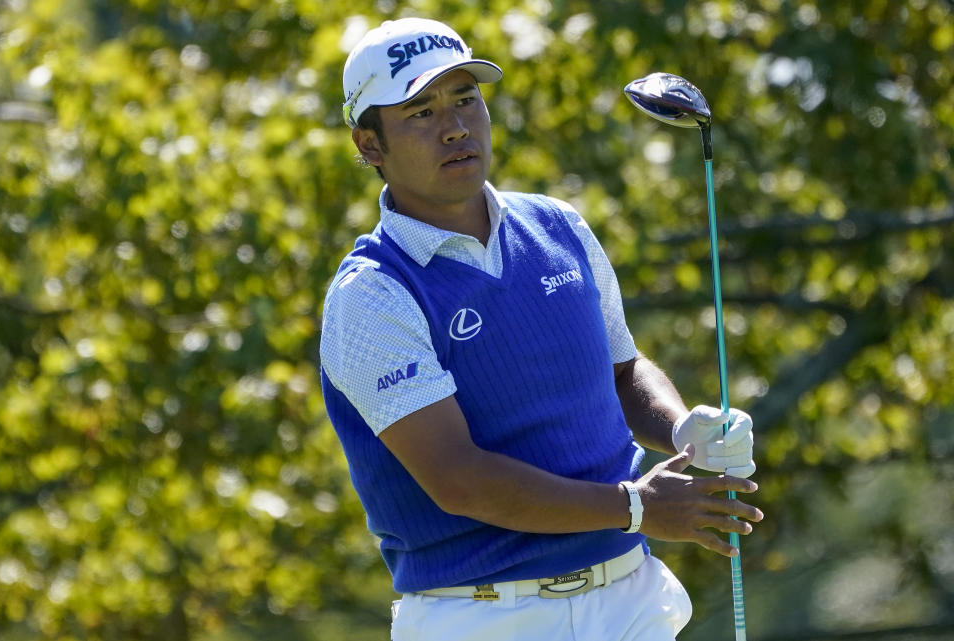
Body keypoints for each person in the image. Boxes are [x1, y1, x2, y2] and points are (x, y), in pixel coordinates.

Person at [319, 17, 762, 641]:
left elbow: (620, 369)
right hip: (483, 617)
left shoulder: (557, 227)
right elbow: (458, 479)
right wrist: (636, 506)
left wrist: (683, 427)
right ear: (370, 145)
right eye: (420, 112)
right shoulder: (371, 296)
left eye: (466, 100)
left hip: (629, 601)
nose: (454, 126)